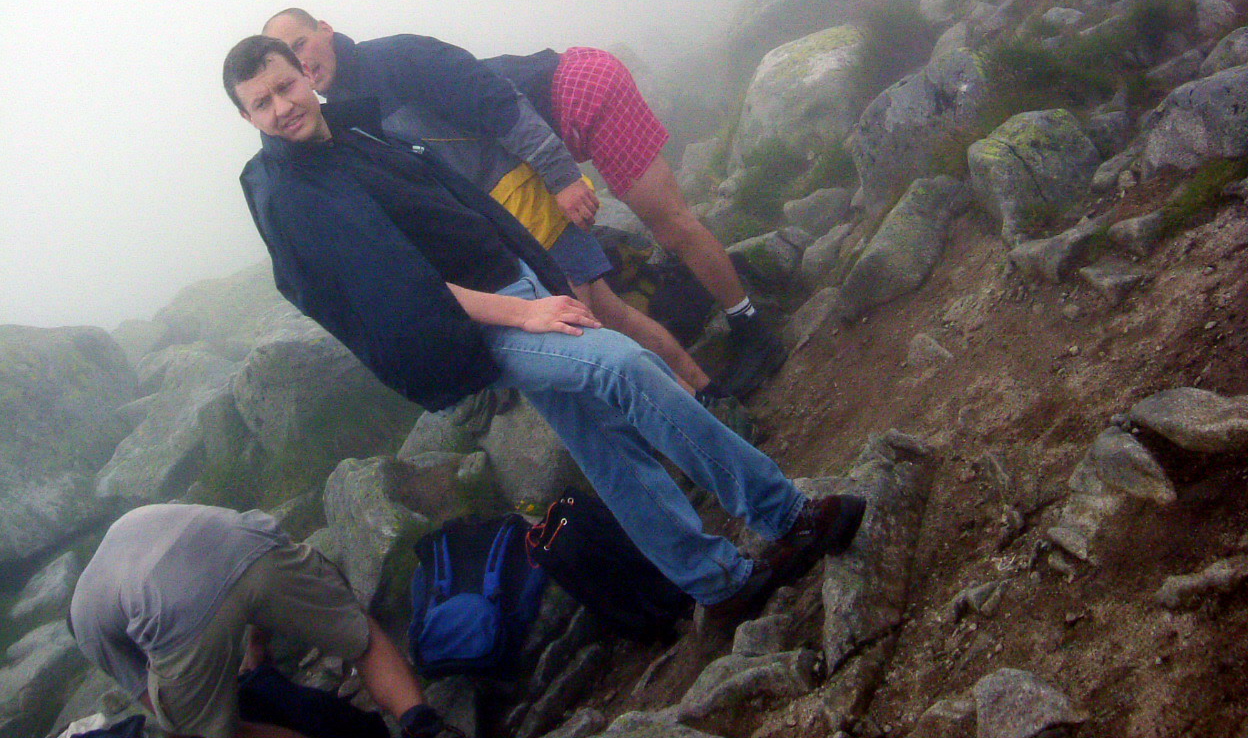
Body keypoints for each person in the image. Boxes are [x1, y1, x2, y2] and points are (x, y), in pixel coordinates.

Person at [224, 35, 865, 627]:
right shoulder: (296, 193)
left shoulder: (354, 127)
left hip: (516, 282)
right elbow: (396, 286)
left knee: (604, 444)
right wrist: (525, 313)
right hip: (480, 324)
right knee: (623, 368)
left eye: (285, 87)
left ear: (305, 76)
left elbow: (457, 205)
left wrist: (536, 273)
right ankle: (786, 515)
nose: (281, 108)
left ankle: (717, 582)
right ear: (247, 117)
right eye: (261, 103)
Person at [262, 9, 782, 401]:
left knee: (666, 228)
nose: (301, 60)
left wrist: (561, 177)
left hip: (577, 92)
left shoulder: (394, 58)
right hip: (528, 167)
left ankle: (750, 332)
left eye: (301, 43)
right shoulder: (347, 103)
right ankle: (706, 392)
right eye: (288, 59)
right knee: (605, 311)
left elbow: (496, 101)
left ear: (326, 29)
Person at [68, 503, 454, 738]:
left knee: (206, 734)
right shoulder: (130, 523)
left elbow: (163, 710)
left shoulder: (85, 623)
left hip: (172, 610)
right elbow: (238, 579)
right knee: (361, 639)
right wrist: (257, 645)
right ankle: (422, 724)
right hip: (245, 541)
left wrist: (213, 709)